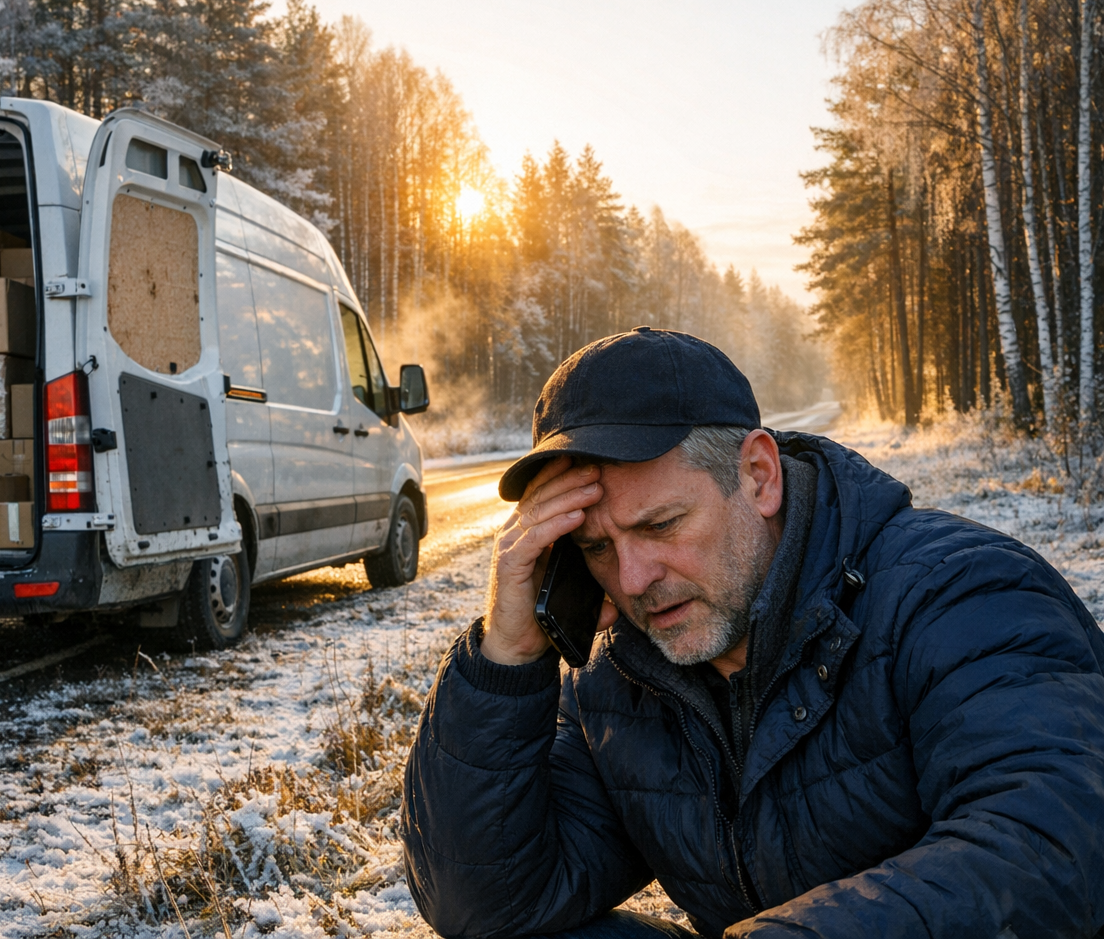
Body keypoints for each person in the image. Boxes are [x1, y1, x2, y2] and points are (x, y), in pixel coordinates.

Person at [400, 327, 1104, 939]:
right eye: (594, 548)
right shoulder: (617, 680)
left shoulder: (958, 592)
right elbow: (484, 902)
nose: (635, 577)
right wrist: (508, 655)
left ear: (759, 476)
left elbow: (1057, 840)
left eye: (661, 525)